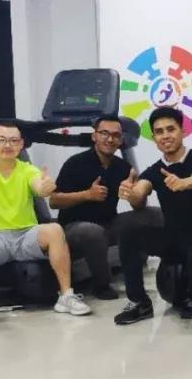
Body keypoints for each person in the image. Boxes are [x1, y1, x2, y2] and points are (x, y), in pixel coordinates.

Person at [0, 120, 90, 329]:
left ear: (21, 144)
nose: (7, 145)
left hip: (25, 236)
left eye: (13, 140)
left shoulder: (28, 169)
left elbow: (38, 185)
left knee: (54, 229)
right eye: (2, 140)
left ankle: (66, 296)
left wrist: (45, 187)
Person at [113, 107, 192, 325]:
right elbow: (140, 194)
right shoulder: (155, 170)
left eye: (171, 129)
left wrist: (184, 183)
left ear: (182, 131)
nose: (166, 135)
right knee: (129, 235)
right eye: (159, 132)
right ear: (154, 138)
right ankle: (139, 302)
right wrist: (131, 193)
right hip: (173, 237)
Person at [50, 114, 162, 299]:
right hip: (74, 227)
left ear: (121, 139)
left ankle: (172, 267)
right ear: (94, 136)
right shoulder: (75, 163)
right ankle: (101, 285)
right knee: (92, 232)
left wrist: (134, 195)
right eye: (104, 133)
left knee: (154, 214)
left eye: (116, 135)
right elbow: (54, 201)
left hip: (108, 223)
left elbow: (138, 206)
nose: (110, 139)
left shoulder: (123, 167)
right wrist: (86, 195)